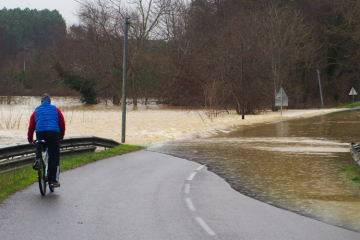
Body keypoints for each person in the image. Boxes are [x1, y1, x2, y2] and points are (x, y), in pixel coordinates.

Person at [27, 93, 65, 188]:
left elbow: (31, 126)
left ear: (41, 102)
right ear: (49, 101)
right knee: (53, 156)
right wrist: (61, 135)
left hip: (40, 132)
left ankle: (38, 160)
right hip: (53, 133)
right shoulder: (55, 109)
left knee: (39, 144)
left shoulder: (36, 110)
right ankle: (52, 180)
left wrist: (30, 138)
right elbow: (62, 123)